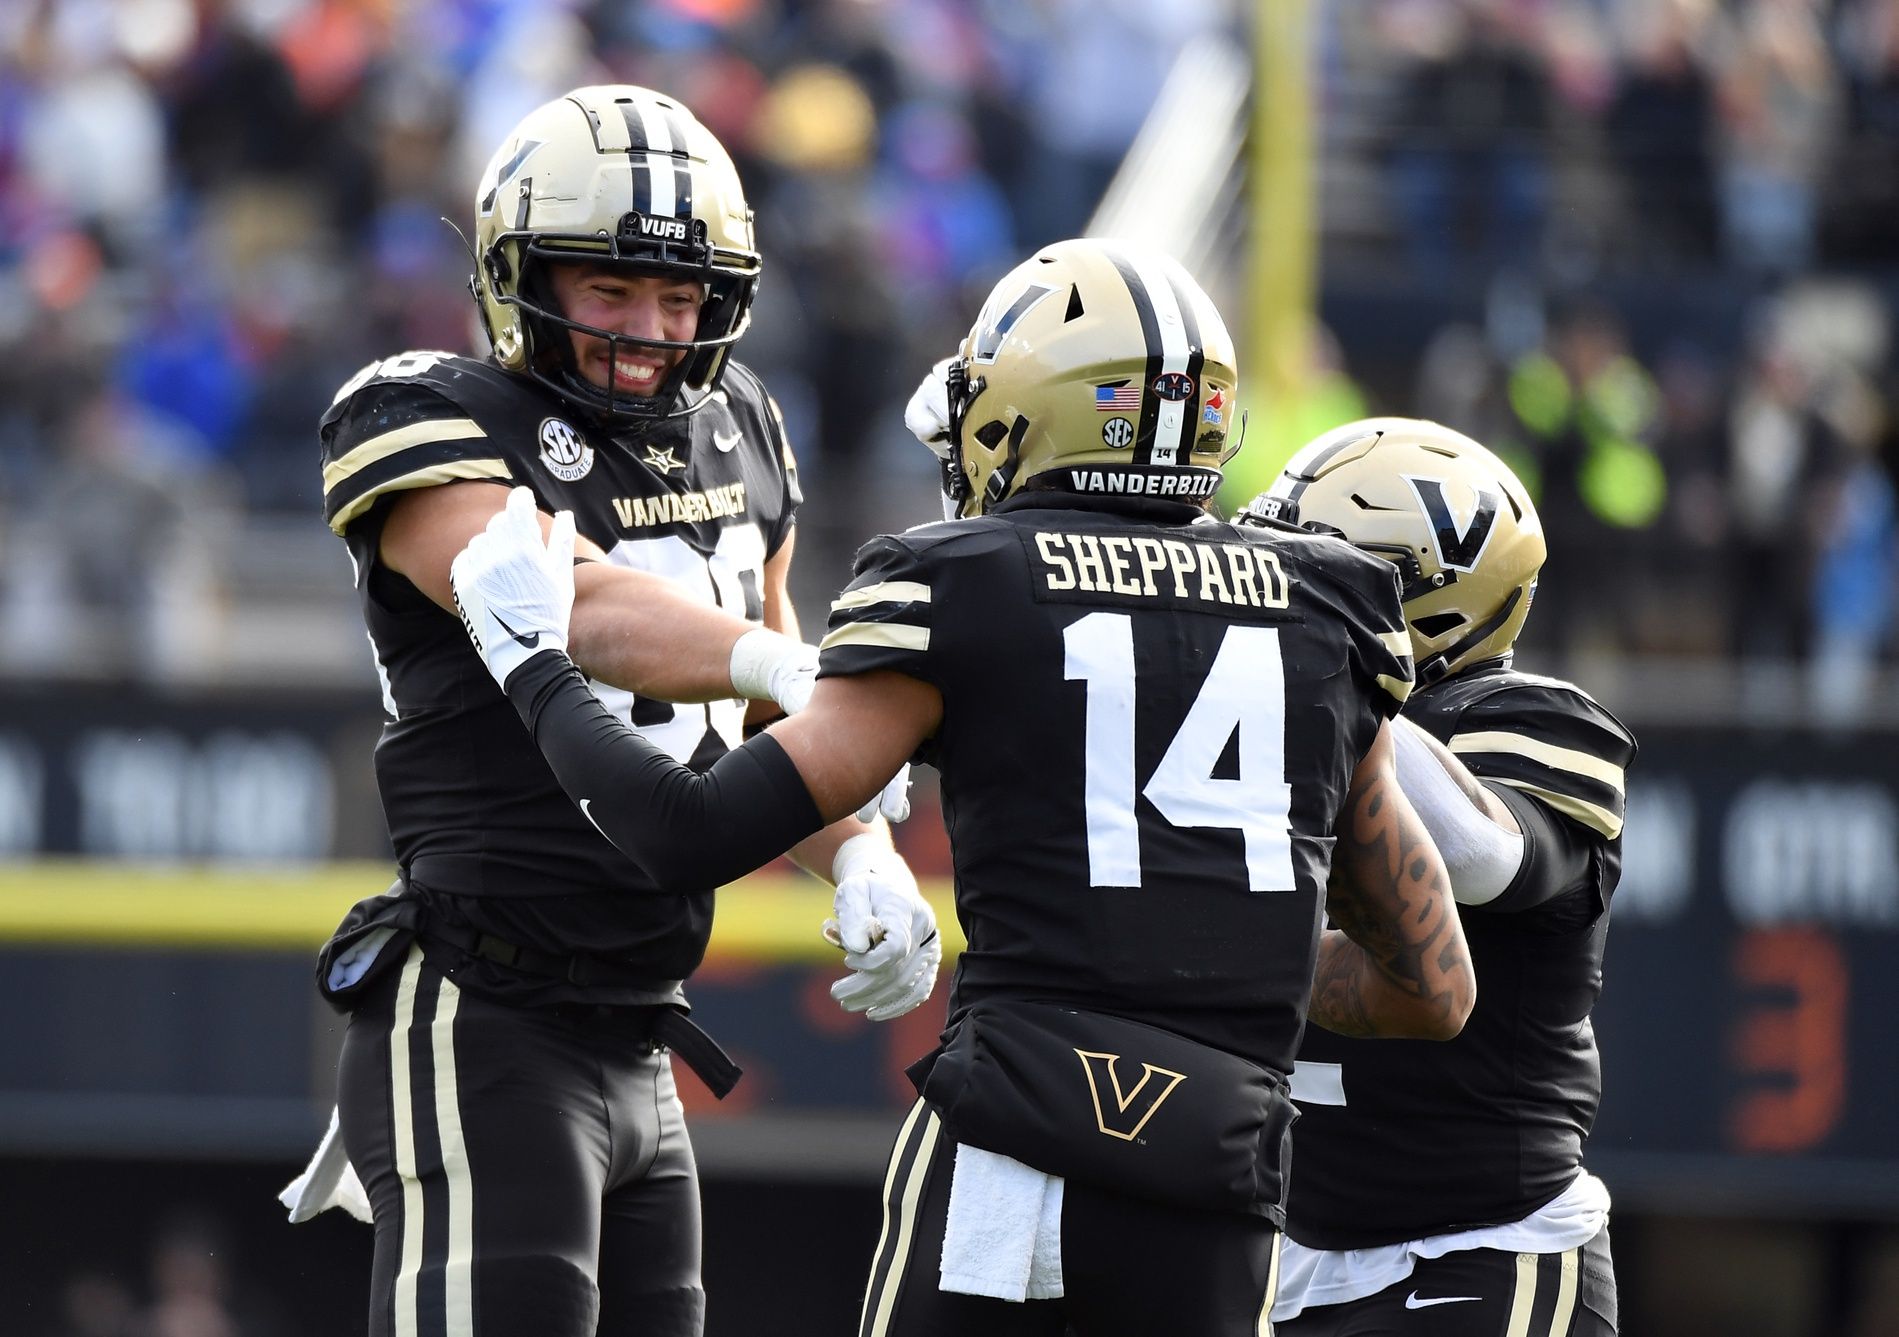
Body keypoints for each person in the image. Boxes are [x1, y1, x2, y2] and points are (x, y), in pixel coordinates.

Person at [445, 238, 1478, 1337]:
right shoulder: (1327, 607)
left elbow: (686, 832)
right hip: (1219, 1176)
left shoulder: (970, 577)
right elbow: (1432, 987)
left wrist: (532, 664)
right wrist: (1217, 955)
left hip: (1015, 1160)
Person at [301, 84, 927, 1337]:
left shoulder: (737, 425)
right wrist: (776, 664)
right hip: (484, 1006)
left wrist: (858, 845)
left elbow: (757, 715)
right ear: (517, 275)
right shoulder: (429, 414)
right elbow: (570, 605)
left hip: (641, 1036)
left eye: (681, 294)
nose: (651, 326)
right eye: (609, 289)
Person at [1239, 417, 1636, 1336]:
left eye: (1311, 566)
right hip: (1298, 1257)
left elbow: (1480, 855)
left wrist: (1338, 677)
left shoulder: (1528, 718)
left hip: (1489, 1245)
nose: (1279, 589)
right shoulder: (1273, 713)